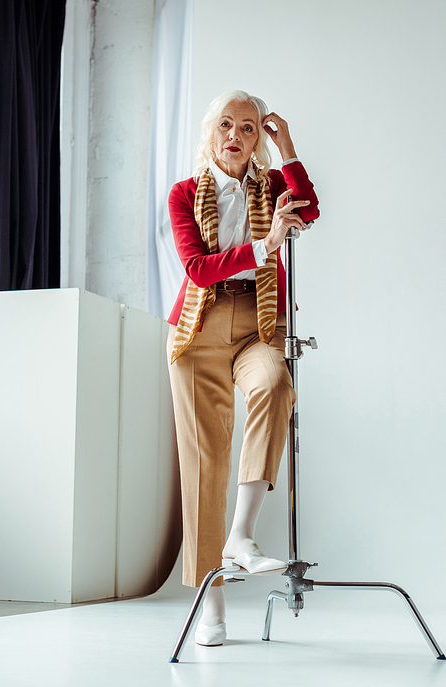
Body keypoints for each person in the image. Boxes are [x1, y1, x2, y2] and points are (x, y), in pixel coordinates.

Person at [166, 90, 319, 646]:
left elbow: (311, 207)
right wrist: (265, 243)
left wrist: (289, 148)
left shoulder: (270, 186)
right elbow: (198, 268)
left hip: (259, 322)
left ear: (258, 139)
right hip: (199, 326)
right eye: (226, 125)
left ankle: (241, 536)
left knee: (276, 383)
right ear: (211, 132)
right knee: (205, 464)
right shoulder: (185, 193)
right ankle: (212, 601)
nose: (236, 135)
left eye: (249, 128)